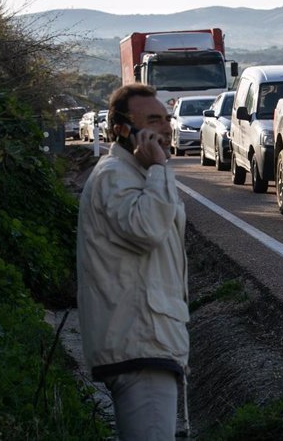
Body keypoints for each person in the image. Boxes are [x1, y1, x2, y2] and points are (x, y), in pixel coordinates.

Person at [76, 83, 189, 440]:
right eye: (153, 120)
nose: (166, 127)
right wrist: (158, 169)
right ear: (122, 129)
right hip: (139, 343)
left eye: (167, 118)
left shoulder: (135, 173)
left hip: (152, 340)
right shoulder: (115, 175)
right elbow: (146, 229)